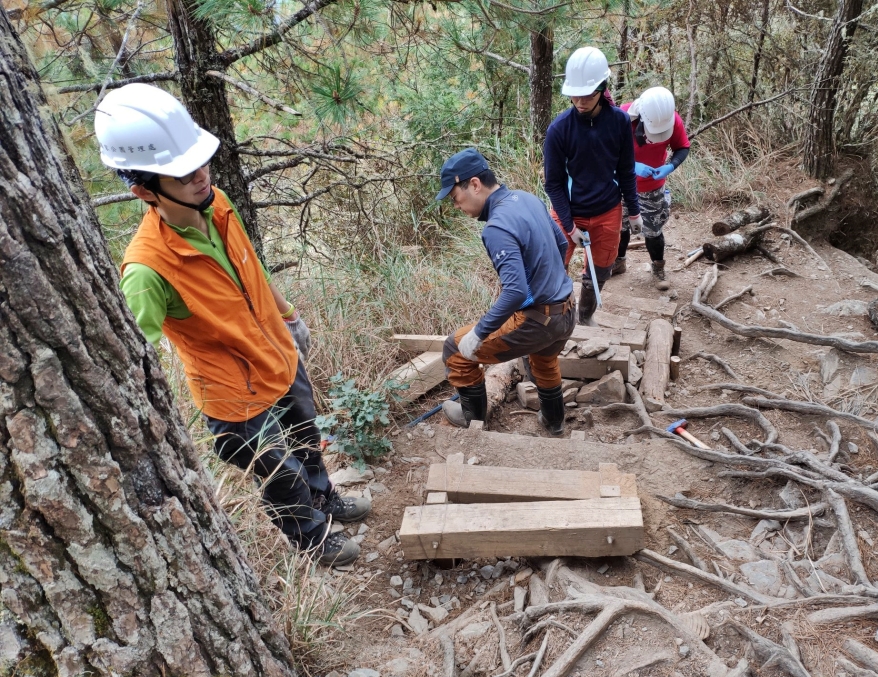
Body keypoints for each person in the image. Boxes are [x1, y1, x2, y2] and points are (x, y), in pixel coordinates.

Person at [95, 84, 368, 566]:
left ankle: (324, 500)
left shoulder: (217, 203)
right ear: (144, 190)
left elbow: (251, 265)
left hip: (274, 353)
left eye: (201, 162)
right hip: (232, 396)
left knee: (305, 435)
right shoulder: (146, 268)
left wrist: (288, 316)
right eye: (182, 173)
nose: (200, 176)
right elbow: (137, 357)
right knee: (277, 470)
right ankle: (308, 536)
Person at [436, 149, 576, 436]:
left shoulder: (496, 226)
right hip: (567, 310)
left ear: (474, 184)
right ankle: (554, 422)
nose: (456, 206)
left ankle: (472, 419)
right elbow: (562, 243)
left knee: (454, 349)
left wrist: (479, 333)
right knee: (543, 359)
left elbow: (514, 292)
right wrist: (550, 282)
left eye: (455, 198)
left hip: (537, 322)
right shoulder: (527, 198)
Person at [544, 46, 643, 326]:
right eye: (574, 93)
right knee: (552, 267)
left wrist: (634, 212)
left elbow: (626, 170)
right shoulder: (559, 130)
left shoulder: (620, 123)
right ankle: (558, 322)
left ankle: (584, 317)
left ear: (602, 87)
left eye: (586, 93)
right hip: (568, 211)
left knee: (601, 269)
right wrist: (570, 226)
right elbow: (553, 184)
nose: (579, 99)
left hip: (607, 210)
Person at [614, 86, 690, 289]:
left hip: (652, 186)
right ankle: (618, 262)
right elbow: (604, 151)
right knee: (619, 227)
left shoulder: (670, 119)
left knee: (653, 230)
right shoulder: (621, 118)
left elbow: (682, 147)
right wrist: (632, 165)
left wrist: (670, 166)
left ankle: (658, 267)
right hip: (620, 183)